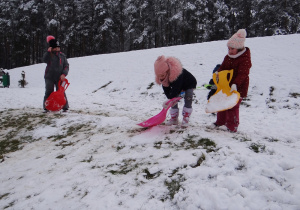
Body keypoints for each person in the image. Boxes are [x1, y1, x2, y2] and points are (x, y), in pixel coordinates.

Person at [212, 29, 252, 132]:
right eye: (228, 48)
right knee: (222, 103)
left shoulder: (244, 59)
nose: (230, 51)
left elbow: (243, 74)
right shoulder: (228, 57)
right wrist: (218, 74)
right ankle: (220, 122)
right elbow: (223, 67)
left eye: (232, 49)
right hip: (226, 85)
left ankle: (232, 126)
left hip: (238, 87)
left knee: (232, 106)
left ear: (239, 48)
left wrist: (236, 84)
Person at [154, 55, 197, 127]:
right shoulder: (162, 76)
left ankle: (185, 119)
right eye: (159, 76)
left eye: (162, 75)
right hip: (178, 85)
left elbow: (176, 88)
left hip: (189, 83)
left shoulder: (177, 73)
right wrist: (169, 100)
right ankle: (174, 119)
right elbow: (167, 90)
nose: (161, 78)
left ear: (167, 71)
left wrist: (172, 98)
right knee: (173, 100)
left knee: (188, 98)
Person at [43, 35, 69, 113]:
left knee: (61, 91)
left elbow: (66, 66)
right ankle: (46, 107)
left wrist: (64, 74)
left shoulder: (62, 56)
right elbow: (44, 60)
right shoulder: (49, 55)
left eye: (58, 47)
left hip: (59, 77)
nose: (57, 49)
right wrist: (48, 52)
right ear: (52, 48)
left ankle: (65, 107)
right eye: (56, 47)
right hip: (49, 77)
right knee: (48, 91)